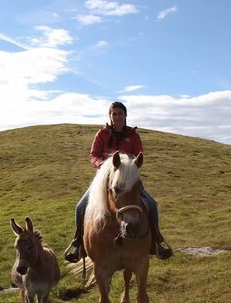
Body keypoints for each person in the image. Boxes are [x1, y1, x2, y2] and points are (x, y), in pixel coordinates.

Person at [65, 101, 172, 262]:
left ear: (125, 116)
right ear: (110, 116)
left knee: (151, 204)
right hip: (104, 180)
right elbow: (93, 155)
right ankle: (79, 243)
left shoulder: (133, 136)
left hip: (128, 180)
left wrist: (129, 167)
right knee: (80, 207)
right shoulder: (101, 134)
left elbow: (138, 156)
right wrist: (102, 165)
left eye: (120, 113)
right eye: (114, 114)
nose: (117, 117)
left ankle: (157, 240)